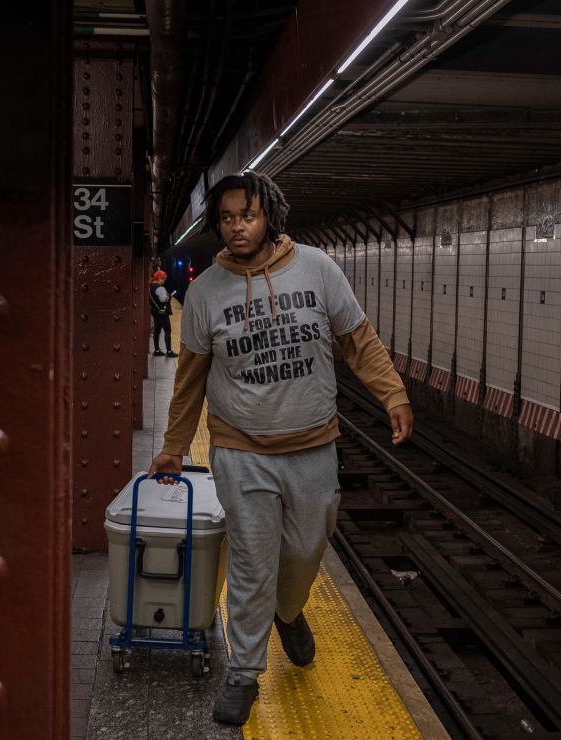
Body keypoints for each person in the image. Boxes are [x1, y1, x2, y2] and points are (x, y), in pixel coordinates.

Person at [148, 171, 413, 725]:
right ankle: (244, 673)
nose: (236, 226)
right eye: (225, 218)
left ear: (269, 215)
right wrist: (174, 445)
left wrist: (393, 394)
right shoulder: (203, 293)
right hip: (240, 449)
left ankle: (289, 612)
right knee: (251, 560)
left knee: (306, 547)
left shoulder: (318, 269)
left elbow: (357, 340)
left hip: (313, 444)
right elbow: (191, 378)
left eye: (246, 215)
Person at [149, 270, 178, 358]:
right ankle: (169, 351)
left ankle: (157, 350)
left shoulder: (151, 287)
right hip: (162, 313)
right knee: (167, 331)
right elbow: (163, 299)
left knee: (157, 331)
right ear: (159, 278)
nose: (164, 281)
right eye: (164, 279)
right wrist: (168, 297)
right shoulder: (160, 288)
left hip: (155, 312)